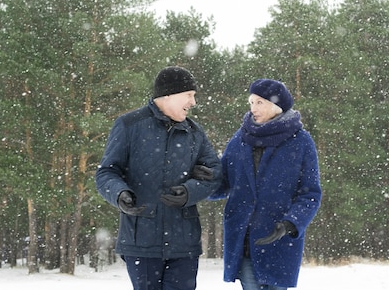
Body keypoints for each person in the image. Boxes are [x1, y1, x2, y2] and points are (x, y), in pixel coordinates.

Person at [95, 66, 222, 290]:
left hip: (184, 241)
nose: (193, 102)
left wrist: (190, 192)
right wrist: (119, 193)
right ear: (168, 95)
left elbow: (214, 174)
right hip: (141, 238)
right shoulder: (129, 126)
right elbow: (106, 172)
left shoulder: (195, 134)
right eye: (189, 95)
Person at [210, 78, 322, 290]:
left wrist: (291, 223)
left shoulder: (301, 142)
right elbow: (222, 183)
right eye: (251, 102)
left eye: (259, 102)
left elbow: (310, 194)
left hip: (279, 241)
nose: (253, 108)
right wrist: (202, 177)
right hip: (243, 241)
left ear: (276, 105)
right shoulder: (240, 139)